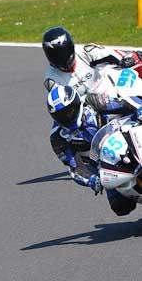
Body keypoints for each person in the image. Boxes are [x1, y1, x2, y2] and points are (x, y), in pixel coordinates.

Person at [47, 84, 142, 214]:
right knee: (120, 207)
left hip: (125, 138)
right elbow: (76, 168)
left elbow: (125, 103)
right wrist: (92, 180)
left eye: (68, 112)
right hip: (105, 164)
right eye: (60, 116)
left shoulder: (93, 101)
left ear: (76, 103)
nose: (66, 118)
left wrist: (139, 109)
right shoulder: (58, 138)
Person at [42, 26, 142, 95]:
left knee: (137, 60)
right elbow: (64, 105)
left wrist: (126, 60)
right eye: (56, 55)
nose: (61, 58)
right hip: (92, 112)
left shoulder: (85, 52)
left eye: (63, 53)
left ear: (71, 48)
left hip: (111, 87)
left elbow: (112, 54)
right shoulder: (52, 80)